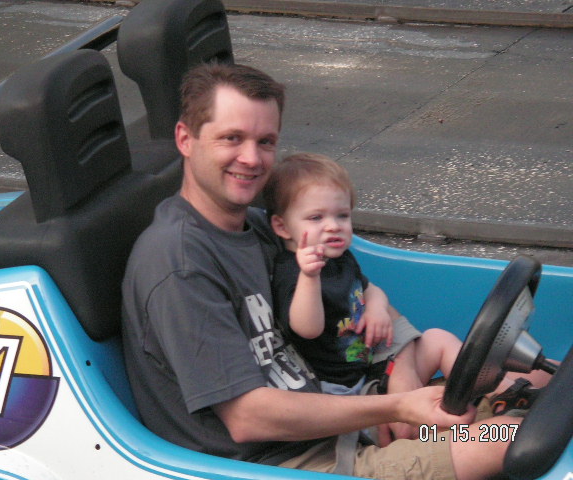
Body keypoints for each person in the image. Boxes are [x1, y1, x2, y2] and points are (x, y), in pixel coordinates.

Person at [121, 61, 527, 480]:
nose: (252, 158)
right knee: (514, 438)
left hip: (343, 415)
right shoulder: (180, 265)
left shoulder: (263, 228)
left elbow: (355, 299)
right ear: (185, 139)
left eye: (265, 142)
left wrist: (400, 373)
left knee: (530, 381)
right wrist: (395, 405)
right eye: (232, 139)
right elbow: (248, 419)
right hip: (283, 462)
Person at [263, 152, 462, 441]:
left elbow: (368, 288)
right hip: (345, 397)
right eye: (316, 217)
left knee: (439, 339)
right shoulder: (293, 272)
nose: (333, 225)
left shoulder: (340, 258)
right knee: (408, 424)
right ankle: (452, 438)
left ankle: (497, 392)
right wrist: (309, 277)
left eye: (341, 215)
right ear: (283, 227)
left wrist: (377, 308)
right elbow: (307, 328)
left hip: (372, 370)